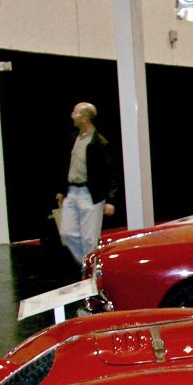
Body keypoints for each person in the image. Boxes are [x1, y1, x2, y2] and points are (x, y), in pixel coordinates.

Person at [56, 102, 116, 266]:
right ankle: (86, 265)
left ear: (84, 118)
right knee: (67, 233)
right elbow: (66, 165)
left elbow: (109, 172)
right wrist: (62, 190)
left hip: (90, 195)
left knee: (89, 238)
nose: (72, 116)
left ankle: (89, 273)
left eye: (75, 113)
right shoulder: (73, 138)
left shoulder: (99, 142)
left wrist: (110, 200)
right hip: (72, 191)